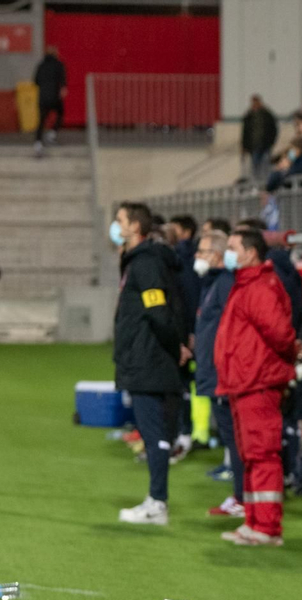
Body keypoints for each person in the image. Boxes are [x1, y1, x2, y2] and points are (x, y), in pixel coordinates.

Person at [214, 228, 296, 546]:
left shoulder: (259, 287)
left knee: (261, 455)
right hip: (245, 382)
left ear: (250, 252)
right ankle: (254, 522)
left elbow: (281, 334)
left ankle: (267, 528)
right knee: (251, 455)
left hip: (257, 382)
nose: (228, 252)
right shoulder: (247, 284)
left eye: (232, 247)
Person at [111, 202, 190, 526]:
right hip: (148, 357)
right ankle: (156, 500)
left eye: (119, 220)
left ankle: (157, 503)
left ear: (134, 227)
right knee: (154, 433)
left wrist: (175, 346)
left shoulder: (145, 264)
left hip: (150, 359)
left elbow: (158, 312)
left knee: (156, 433)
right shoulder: (141, 261)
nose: (115, 226)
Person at [192, 230, 242, 518]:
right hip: (214, 373)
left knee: (235, 440)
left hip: (223, 376)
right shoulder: (212, 284)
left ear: (218, 256)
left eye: (202, 251)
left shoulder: (224, 284)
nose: (198, 257)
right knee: (231, 439)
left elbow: (228, 333)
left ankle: (243, 498)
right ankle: (240, 496)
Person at [33, 46, 68, 154]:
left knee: (41, 120)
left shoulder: (41, 65)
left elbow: (36, 81)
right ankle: (52, 134)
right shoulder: (59, 64)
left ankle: (38, 143)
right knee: (60, 113)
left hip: (42, 96)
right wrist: (62, 88)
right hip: (54, 96)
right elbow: (62, 79)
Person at [242, 94, 279, 182]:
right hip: (254, 146)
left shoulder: (266, 114)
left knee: (265, 164)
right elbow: (245, 133)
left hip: (265, 145)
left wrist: (271, 142)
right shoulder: (249, 115)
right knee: (255, 165)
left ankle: (266, 181)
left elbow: (273, 129)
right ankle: (256, 182)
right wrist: (244, 146)